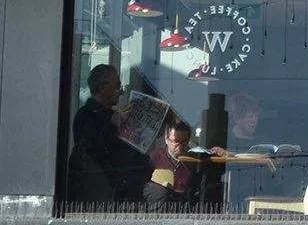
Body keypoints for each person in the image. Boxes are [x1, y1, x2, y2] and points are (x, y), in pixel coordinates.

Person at [67, 64, 149, 206]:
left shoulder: (110, 116)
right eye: (117, 86)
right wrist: (114, 125)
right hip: (101, 192)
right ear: (103, 88)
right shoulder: (86, 115)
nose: (121, 91)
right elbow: (94, 149)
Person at [143, 120, 212, 209]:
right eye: (176, 141)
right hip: (158, 207)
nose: (180, 146)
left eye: (184, 141)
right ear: (166, 140)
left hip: (183, 208)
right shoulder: (155, 157)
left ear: (188, 140)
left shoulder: (194, 162)